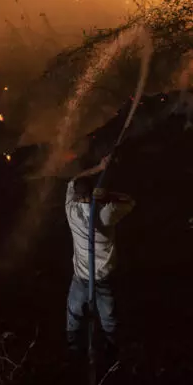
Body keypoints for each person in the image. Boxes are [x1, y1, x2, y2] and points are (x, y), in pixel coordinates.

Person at [65, 154, 136, 360]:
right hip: (103, 277)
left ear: (78, 197)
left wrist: (98, 166)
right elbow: (130, 201)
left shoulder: (70, 210)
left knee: (74, 313)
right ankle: (112, 348)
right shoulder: (106, 213)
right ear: (92, 193)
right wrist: (106, 196)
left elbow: (72, 181)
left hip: (81, 276)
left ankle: (73, 348)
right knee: (108, 317)